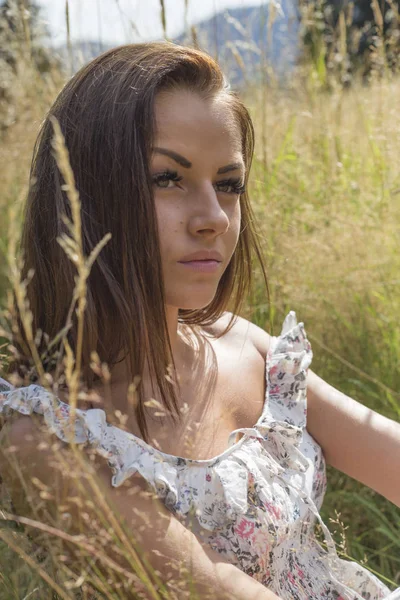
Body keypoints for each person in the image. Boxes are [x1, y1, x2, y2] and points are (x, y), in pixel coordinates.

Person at [0, 41, 399, 600]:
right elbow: (220, 589)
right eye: (168, 178)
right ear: (84, 198)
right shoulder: (45, 440)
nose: (213, 217)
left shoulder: (245, 348)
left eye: (229, 184)